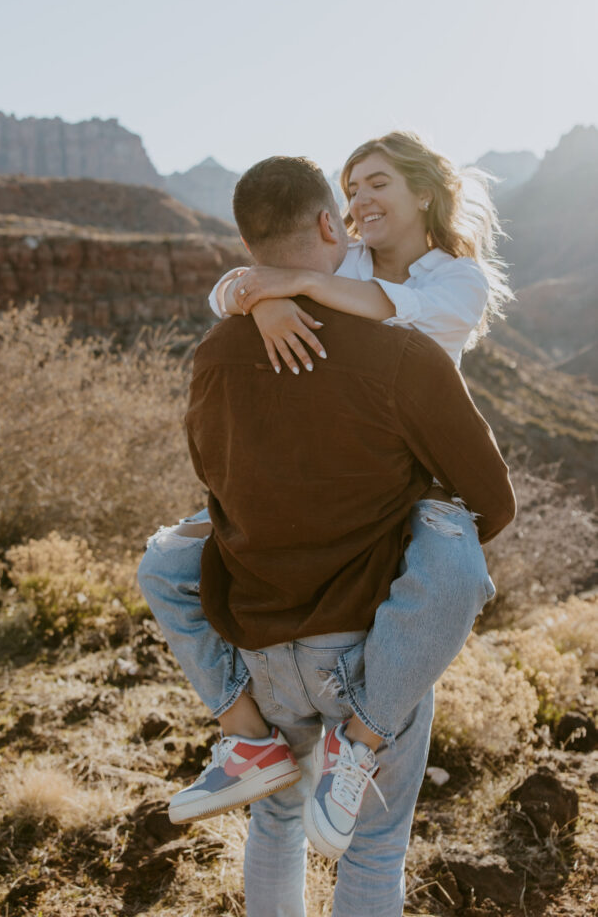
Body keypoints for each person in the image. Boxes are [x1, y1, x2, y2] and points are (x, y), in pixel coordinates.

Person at [137, 136, 514, 859]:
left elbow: (403, 324)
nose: (359, 200)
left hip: (419, 478)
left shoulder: (459, 279)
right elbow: (235, 283)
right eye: (349, 188)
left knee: (457, 570)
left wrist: (291, 290)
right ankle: (244, 739)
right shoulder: (345, 261)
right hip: (340, 476)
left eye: (376, 183)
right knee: (163, 564)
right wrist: (261, 302)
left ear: (424, 193)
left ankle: (362, 735)